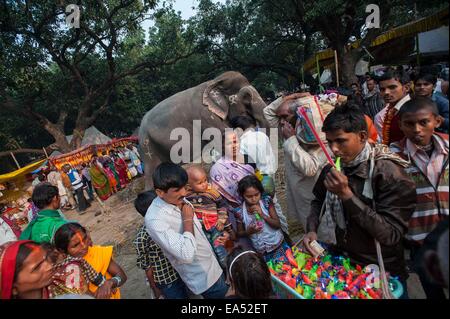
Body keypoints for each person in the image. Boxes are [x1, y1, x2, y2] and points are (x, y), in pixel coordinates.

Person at [303, 103, 416, 298]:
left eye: (341, 141)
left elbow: (391, 235)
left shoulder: (390, 174)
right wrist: (312, 228)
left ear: (362, 136)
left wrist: (346, 195)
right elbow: (318, 200)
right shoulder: (332, 169)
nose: (334, 149)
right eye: (329, 142)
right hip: (344, 263)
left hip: (381, 268)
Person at [390, 97, 448, 299]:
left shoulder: (448, 146)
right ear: (400, 125)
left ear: (437, 121)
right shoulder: (393, 156)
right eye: (409, 124)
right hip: (420, 241)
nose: (416, 129)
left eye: (424, 122)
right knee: (433, 293)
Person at [145, 163, 228, 299]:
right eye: (177, 190)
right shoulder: (155, 219)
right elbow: (187, 254)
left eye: (184, 187)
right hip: (204, 277)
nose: (184, 193)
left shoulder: (180, 200)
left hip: (213, 264)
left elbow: (200, 232)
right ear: (160, 192)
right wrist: (187, 220)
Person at [230, 116, 289, 235]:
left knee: (263, 208)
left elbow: (247, 165)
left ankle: (272, 235)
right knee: (274, 206)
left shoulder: (242, 143)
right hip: (269, 176)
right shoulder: (262, 136)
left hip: (256, 180)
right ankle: (285, 232)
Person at [133, 190, 186, 299]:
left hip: (182, 271)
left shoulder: (170, 221)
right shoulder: (142, 238)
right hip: (167, 280)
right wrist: (155, 288)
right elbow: (147, 267)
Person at [54, 222, 127, 299]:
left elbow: (122, 276)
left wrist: (110, 283)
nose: (84, 246)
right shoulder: (65, 270)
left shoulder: (99, 252)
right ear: (62, 250)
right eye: (76, 245)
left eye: (84, 239)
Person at [185, 165, 232, 268]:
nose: (204, 184)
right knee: (210, 252)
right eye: (200, 183)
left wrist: (221, 219)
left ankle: (228, 270)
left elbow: (223, 206)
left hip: (216, 226)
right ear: (189, 185)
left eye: (205, 180)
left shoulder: (212, 192)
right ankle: (221, 272)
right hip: (202, 230)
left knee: (220, 250)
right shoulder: (187, 196)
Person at [235, 175, 289, 261]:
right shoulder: (239, 212)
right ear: (242, 195)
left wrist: (263, 215)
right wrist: (249, 231)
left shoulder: (266, 202)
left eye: (257, 195)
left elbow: (277, 224)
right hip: (261, 253)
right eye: (249, 196)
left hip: (278, 246)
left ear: (261, 192)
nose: (253, 199)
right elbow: (239, 233)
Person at [374, 71, 412, 145]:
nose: (386, 92)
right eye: (382, 89)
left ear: (406, 88)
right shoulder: (391, 110)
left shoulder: (414, 109)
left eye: (392, 87)